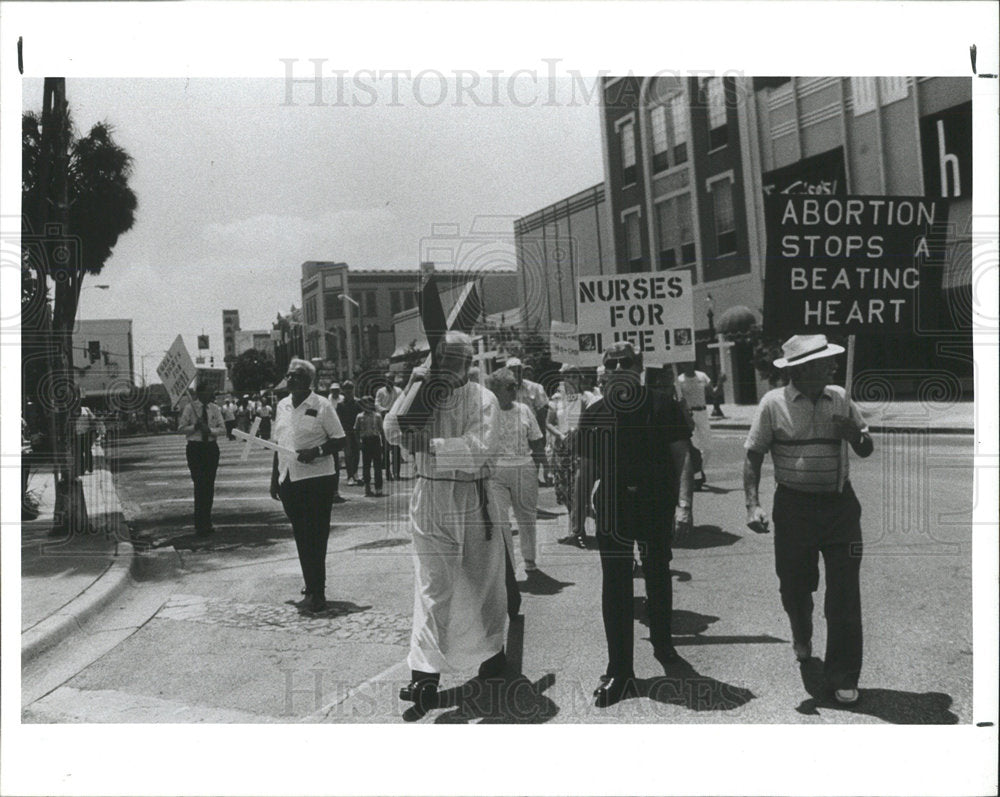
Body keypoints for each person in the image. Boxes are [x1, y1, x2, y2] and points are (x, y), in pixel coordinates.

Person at [743, 334, 873, 706]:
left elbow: (866, 447)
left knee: (845, 594)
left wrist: (854, 434)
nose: (831, 367)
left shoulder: (841, 397)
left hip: (840, 507)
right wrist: (752, 504)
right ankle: (802, 633)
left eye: (830, 362)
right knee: (795, 588)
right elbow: (753, 454)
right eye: (822, 362)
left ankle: (843, 674)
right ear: (799, 370)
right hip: (794, 509)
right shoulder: (773, 404)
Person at [384, 331, 505, 713]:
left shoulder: (483, 398)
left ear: (469, 364)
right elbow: (391, 430)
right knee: (433, 585)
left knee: (482, 579)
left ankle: (492, 654)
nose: (449, 367)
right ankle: (424, 676)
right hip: (431, 496)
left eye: (457, 360)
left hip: (472, 496)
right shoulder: (423, 393)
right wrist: (414, 387)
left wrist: (430, 445)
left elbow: (480, 447)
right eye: (443, 359)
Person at [576, 342, 694, 707]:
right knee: (615, 585)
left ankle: (662, 640)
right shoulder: (596, 413)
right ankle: (621, 672)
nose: (616, 368)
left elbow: (683, 456)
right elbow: (587, 469)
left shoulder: (663, 405)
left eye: (624, 362)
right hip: (613, 507)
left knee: (657, 572)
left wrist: (684, 505)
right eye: (609, 364)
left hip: (654, 503)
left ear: (639, 367)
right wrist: (577, 518)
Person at [269, 359, 346, 614]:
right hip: (290, 478)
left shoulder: (321, 405)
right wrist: (274, 479)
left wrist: (318, 450)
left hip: (317, 480)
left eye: (296, 376)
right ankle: (311, 584)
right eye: (288, 375)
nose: (290, 380)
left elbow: (340, 440)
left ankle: (319, 590)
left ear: (308, 381)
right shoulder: (282, 405)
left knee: (317, 535)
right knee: (302, 535)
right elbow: (277, 443)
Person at [485, 367, 544, 573]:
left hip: (523, 468)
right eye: (510, 387)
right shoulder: (486, 412)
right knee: (500, 521)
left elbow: (536, 439)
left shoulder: (524, 410)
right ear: (496, 391)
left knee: (527, 518)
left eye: (516, 386)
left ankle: (529, 559)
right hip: (496, 473)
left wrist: (536, 467)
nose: (515, 390)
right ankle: (507, 564)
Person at [547, 363, 596, 549]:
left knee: (579, 490)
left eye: (574, 376)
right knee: (564, 490)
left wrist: (578, 430)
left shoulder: (584, 399)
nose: (571, 380)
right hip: (561, 449)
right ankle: (574, 522)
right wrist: (559, 434)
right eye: (567, 376)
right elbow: (549, 422)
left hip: (579, 449)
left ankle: (579, 530)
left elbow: (589, 420)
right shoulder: (557, 398)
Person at [178, 381, 227, 537]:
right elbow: (180, 429)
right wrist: (195, 427)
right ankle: (200, 523)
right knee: (199, 484)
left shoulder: (215, 409)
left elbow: (223, 429)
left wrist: (210, 430)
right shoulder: (189, 408)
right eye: (208, 391)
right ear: (200, 393)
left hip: (211, 448)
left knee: (209, 485)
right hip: (195, 448)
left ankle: (207, 521)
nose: (211, 393)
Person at [505, 357, 550, 487]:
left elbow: (542, 413)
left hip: (532, 432)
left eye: (518, 370)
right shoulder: (504, 390)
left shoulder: (534, 388)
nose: (515, 374)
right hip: (513, 433)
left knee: (533, 465)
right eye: (512, 371)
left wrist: (541, 435)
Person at [676, 362, 714, 489]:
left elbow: (713, 392)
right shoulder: (680, 380)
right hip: (690, 413)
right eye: (685, 363)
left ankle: (698, 471)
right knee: (694, 446)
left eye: (690, 362)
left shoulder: (702, 376)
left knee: (708, 447)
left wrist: (720, 382)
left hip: (702, 412)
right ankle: (696, 475)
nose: (688, 365)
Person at [375, 373, 403, 481]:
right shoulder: (380, 391)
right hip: (385, 420)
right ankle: (388, 473)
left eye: (391, 379)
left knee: (396, 447)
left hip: (396, 421)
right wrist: (384, 410)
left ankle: (397, 473)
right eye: (387, 380)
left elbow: (402, 403)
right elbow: (377, 404)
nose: (389, 382)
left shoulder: (399, 391)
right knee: (386, 448)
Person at [354, 396, 385, 497]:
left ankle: (378, 488)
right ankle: (367, 487)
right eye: (364, 404)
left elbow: (381, 430)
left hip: (375, 441)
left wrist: (383, 444)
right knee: (366, 466)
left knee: (377, 466)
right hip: (366, 441)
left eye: (368, 403)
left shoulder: (377, 416)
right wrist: (358, 443)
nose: (366, 406)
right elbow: (356, 430)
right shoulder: (359, 416)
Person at [336, 381, 362, 486]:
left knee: (357, 452)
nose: (348, 390)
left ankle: (355, 473)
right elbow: (338, 420)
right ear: (343, 390)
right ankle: (350, 475)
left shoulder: (358, 402)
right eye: (346, 388)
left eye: (350, 388)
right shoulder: (340, 404)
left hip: (357, 431)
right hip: (346, 431)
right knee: (348, 454)